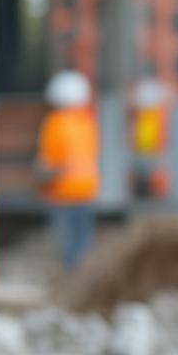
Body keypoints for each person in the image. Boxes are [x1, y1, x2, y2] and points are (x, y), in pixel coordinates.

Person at [36, 70, 100, 270]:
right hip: (87, 191)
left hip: (61, 193)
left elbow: (47, 163)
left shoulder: (55, 123)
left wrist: (39, 181)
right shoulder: (87, 123)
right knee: (83, 245)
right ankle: (82, 282)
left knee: (68, 248)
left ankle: (70, 283)